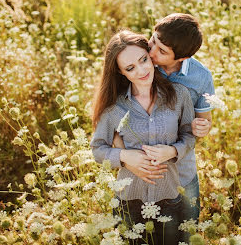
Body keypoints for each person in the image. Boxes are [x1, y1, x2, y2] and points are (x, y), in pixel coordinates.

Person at [114, 14, 215, 242]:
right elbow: (111, 118)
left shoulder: (201, 77)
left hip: (181, 172)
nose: (151, 53)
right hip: (139, 174)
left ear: (183, 57)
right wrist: (128, 159)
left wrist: (203, 127)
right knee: (135, 235)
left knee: (184, 235)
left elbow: (204, 121)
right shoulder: (140, 62)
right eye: (153, 41)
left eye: (161, 51)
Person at [91, 30, 196, 245]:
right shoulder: (113, 108)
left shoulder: (179, 95)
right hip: (129, 202)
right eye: (130, 68)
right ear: (121, 73)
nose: (142, 70)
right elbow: (97, 150)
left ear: (150, 55)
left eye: (144, 60)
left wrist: (173, 151)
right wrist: (126, 157)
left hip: (171, 198)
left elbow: (190, 135)